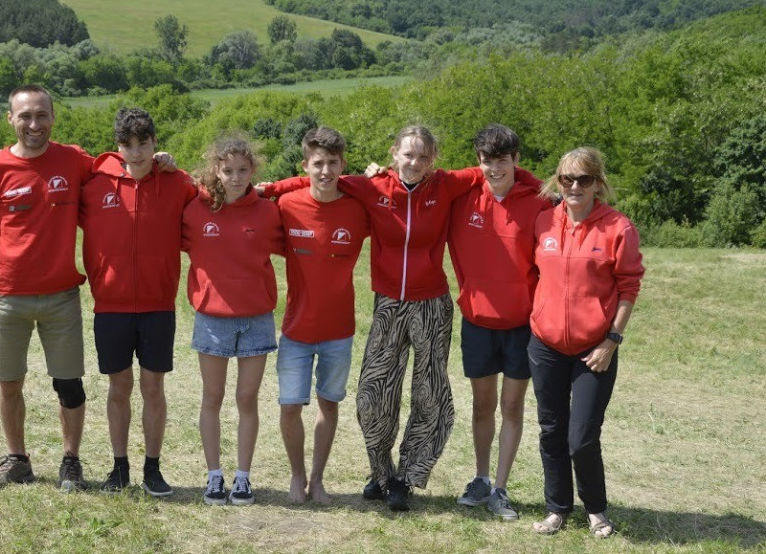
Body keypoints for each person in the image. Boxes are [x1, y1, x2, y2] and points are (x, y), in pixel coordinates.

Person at [263, 125, 539, 511]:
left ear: (433, 160)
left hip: (432, 306)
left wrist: (545, 187)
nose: (415, 163)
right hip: (389, 304)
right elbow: (321, 174)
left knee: (429, 396)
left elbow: (496, 170)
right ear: (394, 153)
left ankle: (407, 478)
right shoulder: (372, 186)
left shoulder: (445, 185)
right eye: (408, 155)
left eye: (423, 157)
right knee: (375, 395)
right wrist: (269, 189)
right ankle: (381, 471)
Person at [0, 84, 92, 492]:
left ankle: (71, 461)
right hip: (8, 296)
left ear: (53, 117)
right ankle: (18, 459)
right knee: (9, 382)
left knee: (69, 383)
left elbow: (121, 168)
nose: (34, 123)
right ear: (11, 119)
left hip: (61, 297)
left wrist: (159, 161)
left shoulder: (73, 160)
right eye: (25, 116)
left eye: (41, 115)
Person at [79, 108, 197, 496]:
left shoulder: (177, 183)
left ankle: (152, 468)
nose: (136, 152)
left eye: (143, 143)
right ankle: (119, 467)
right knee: (118, 388)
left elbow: (213, 198)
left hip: (158, 306)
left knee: (153, 389)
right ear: (118, 146)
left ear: (154, 143)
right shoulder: (94, 185)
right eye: (127, 145)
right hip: (110, 308)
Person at [528, 147, 644, 538]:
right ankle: (557, 508)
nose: (574, 186)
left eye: (584, 179)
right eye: (567, 179)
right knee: (551, 430)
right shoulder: (543, 222)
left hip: (595, 349)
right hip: (545, 346)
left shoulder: (618, 228)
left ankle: (595, 509)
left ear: (597, 183)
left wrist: (611, 340)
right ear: (557, 182)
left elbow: (629, 287)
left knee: (581, 438)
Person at [447, 124, 552, 520]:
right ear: (478, 161)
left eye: (503, 161)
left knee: (512, 405)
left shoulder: (541, 202)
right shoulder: (462, 199)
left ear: (516, 161)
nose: (495, 169)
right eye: (487, 161)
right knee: (481, 406)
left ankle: (502, 488)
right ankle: (480, 478)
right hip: (476, 320)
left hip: (522, 325)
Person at [181, 136, 284, 506]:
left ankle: (242, 477)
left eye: (243, 170)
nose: (236, 177)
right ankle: (213, 475)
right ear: (216, 172)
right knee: (213, 396)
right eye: (228, 170)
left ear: (253, 170)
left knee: (246, 398)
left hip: (256, 317)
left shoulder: (269, 212)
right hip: (212, 317)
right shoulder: (194, 210)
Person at [274, 127, 369, 504]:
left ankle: (318, 479)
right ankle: (296, 476)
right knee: (290, 406)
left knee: (329, 404)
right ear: (305, 166)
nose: (326, 171)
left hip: (339, 331)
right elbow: (246, 195)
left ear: (343, 165)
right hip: (296, 329)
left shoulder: (358, 208)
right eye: (318, 164)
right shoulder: (286, 205)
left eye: (332, 163)